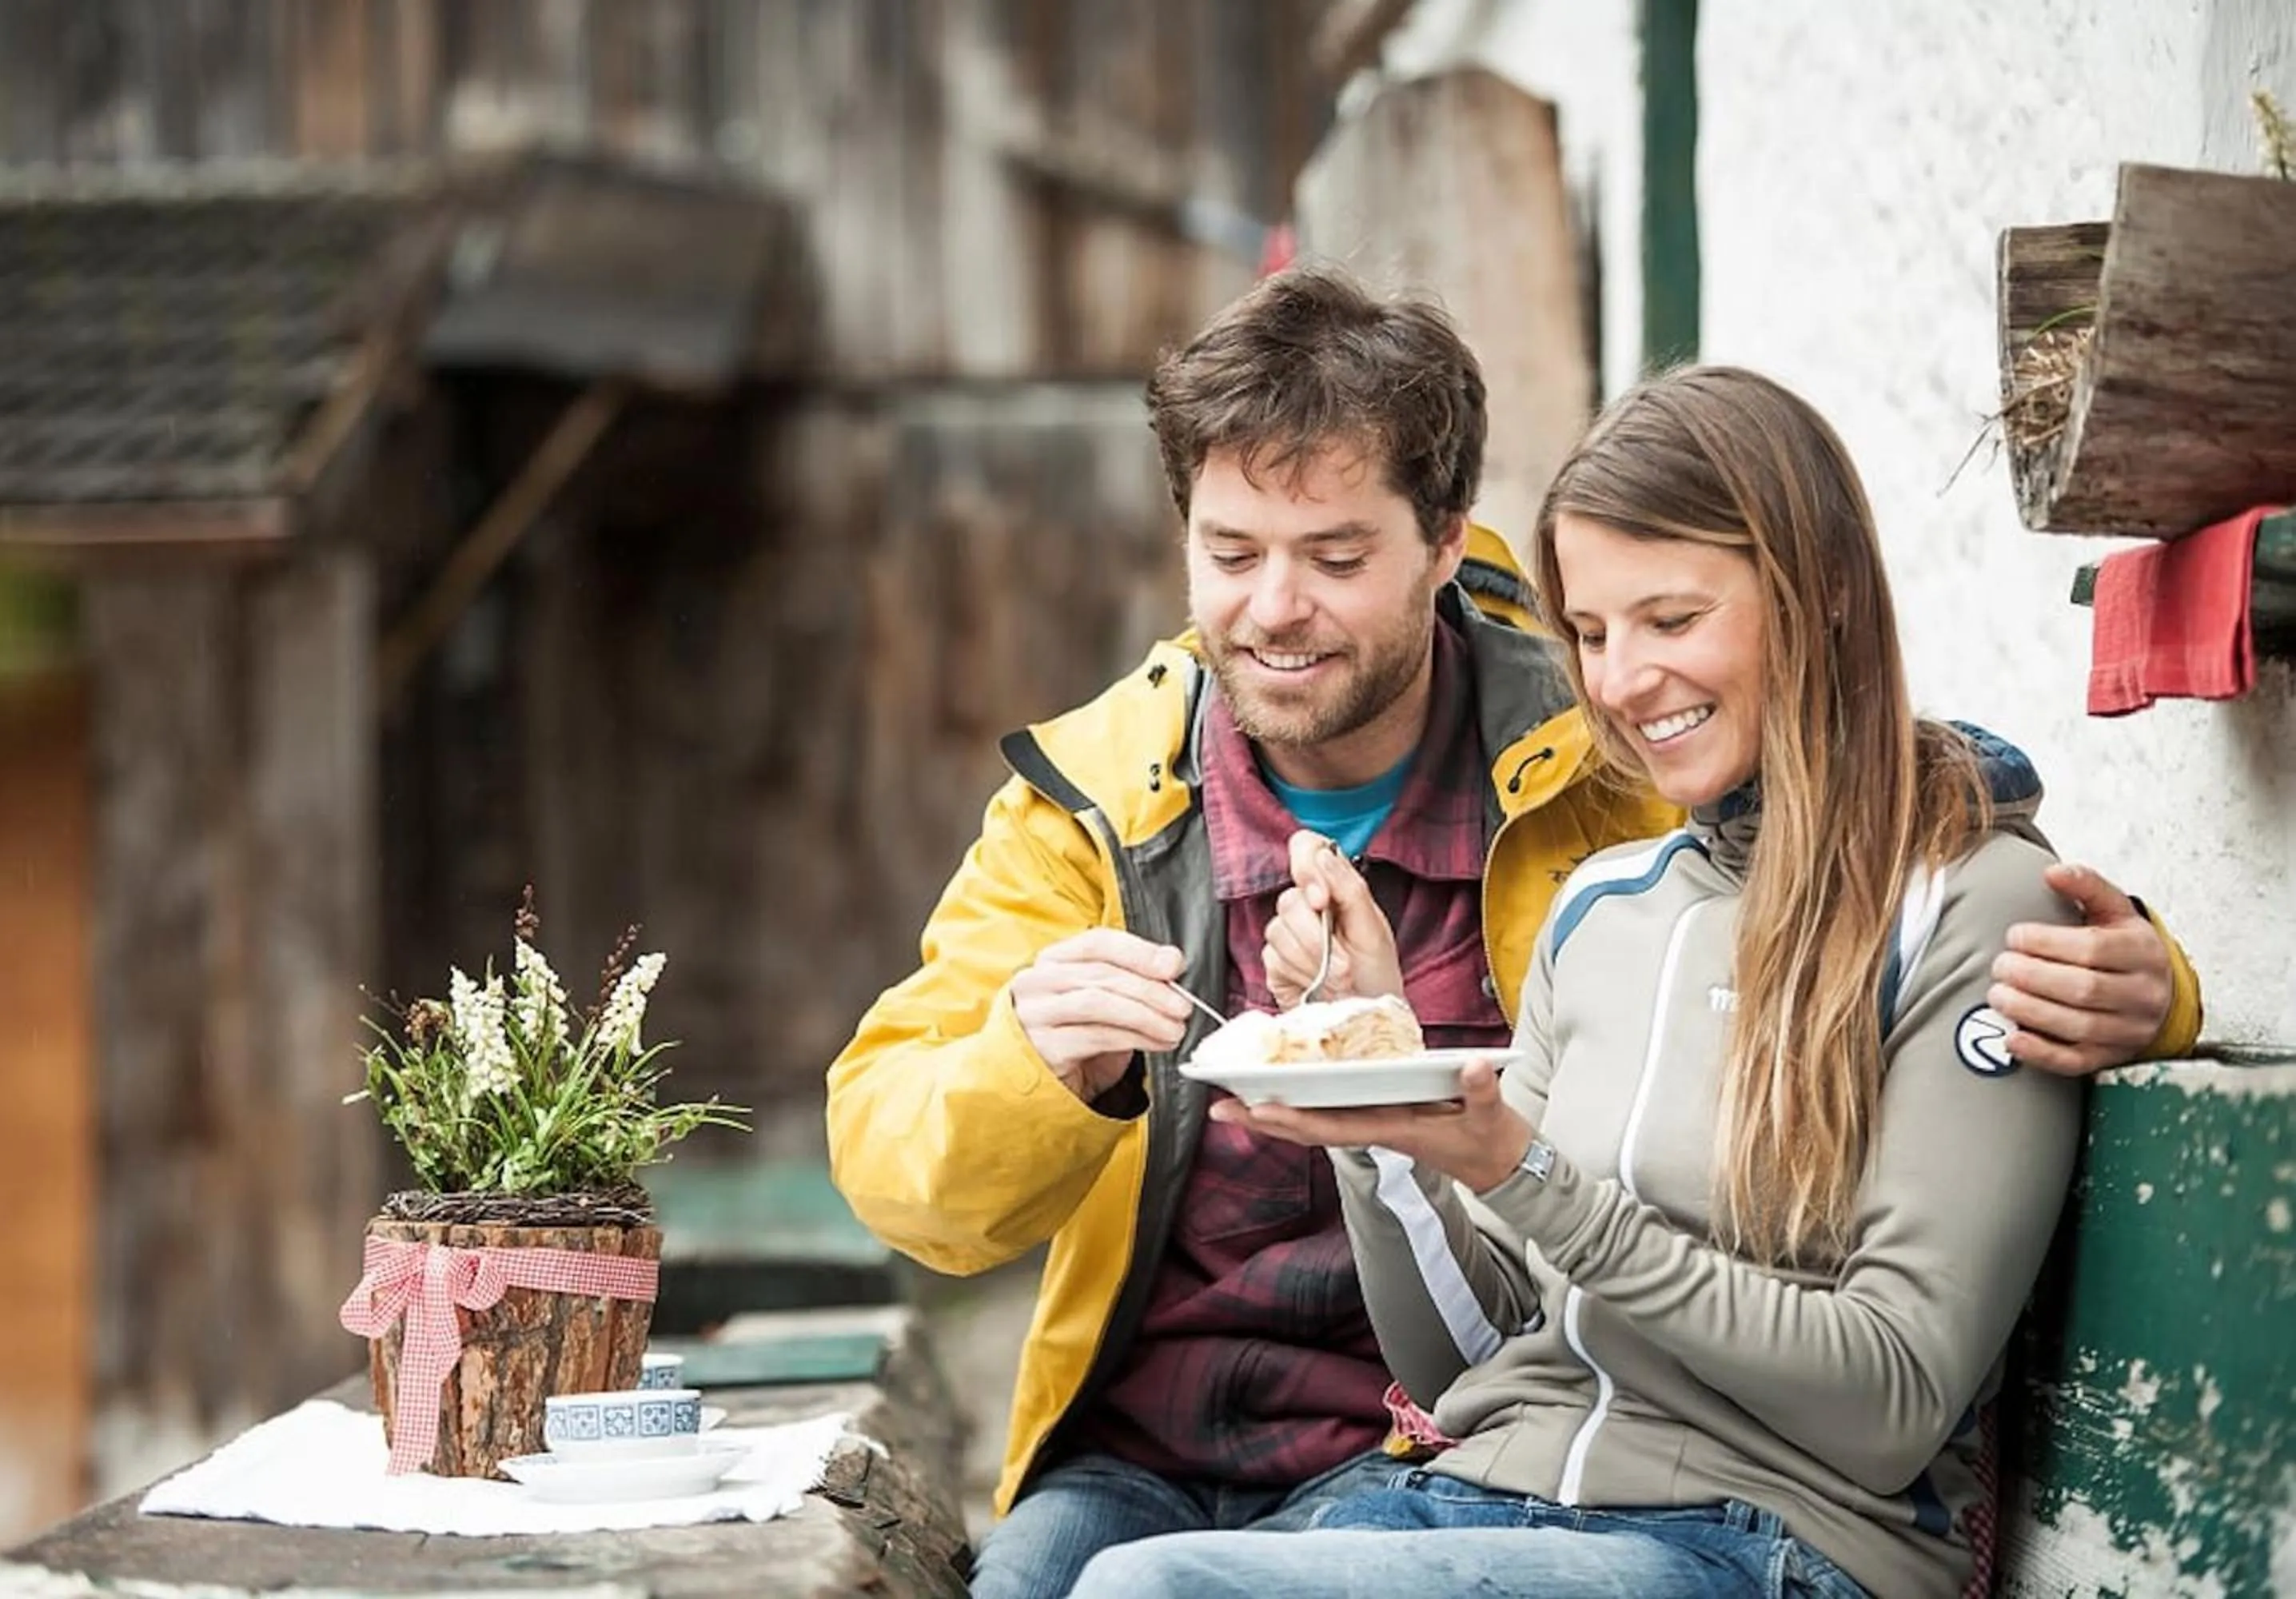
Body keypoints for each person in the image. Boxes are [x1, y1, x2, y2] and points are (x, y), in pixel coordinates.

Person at [823, 269, 2200, 1599]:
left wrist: (2163, 989)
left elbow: (1885, 814)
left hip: (1467, 1454)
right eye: (1231, 554)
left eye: (1337, 555)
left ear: (1443, 543)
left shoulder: (1599, 776)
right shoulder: (1102, 808)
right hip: (1247, 1447)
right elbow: (898, 1162)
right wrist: (1048, 1066)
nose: (1274, 606)